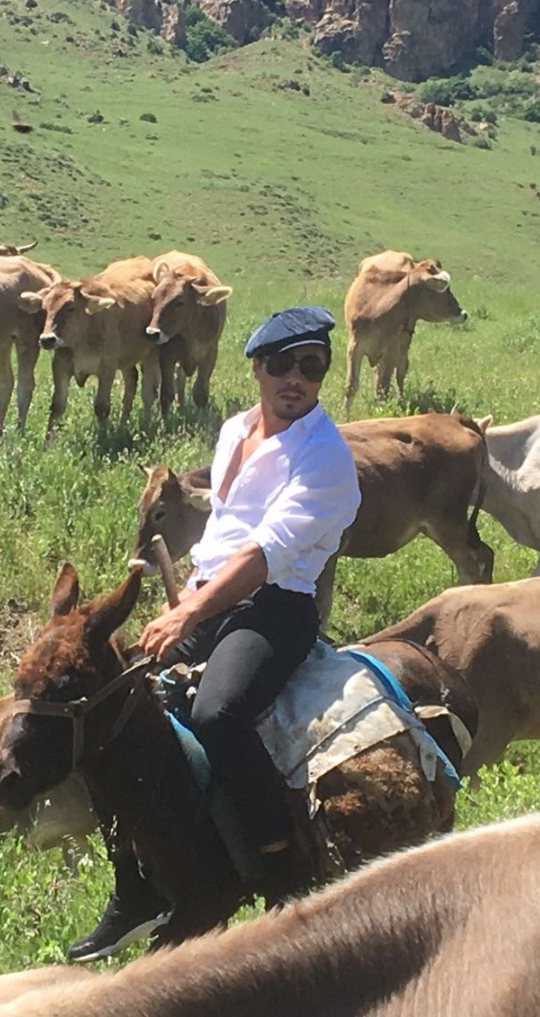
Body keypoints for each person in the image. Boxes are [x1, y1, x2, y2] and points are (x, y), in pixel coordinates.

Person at [66, 305, 361, 962]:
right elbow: (225, 529)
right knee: (112, 706)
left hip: (275, 606)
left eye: (311, 366)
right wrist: (192, 598)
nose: (295, 378)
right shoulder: (235, 430)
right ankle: (134, 886)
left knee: (218, 715)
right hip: (210, 596)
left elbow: (264, 553)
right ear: (257, 368)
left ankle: (281, 870)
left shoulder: (325, 458)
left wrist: (188, 614)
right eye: (281, 364)